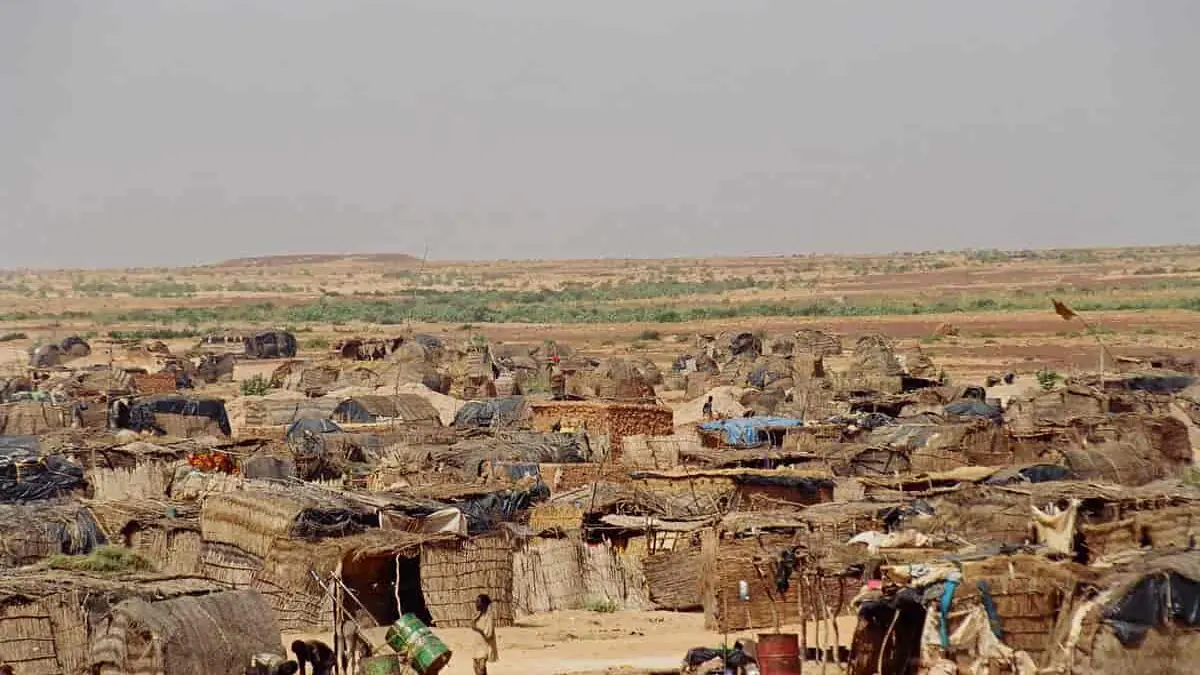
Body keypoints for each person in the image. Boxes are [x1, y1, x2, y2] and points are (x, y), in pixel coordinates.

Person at [470, 594, 499, 675]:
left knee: (481, 668)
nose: (476, 604)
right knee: (476, 667)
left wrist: (477, 629)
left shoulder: (489, 617)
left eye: (478, 602)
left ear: (484, 604)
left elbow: (489, 634)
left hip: (485, 646)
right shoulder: (476, 616)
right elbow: (473, 627)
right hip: (476, 646)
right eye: (476, 602)